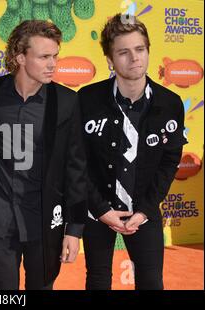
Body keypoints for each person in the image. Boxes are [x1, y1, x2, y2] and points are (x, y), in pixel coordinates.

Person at [0, 20, 88, 290]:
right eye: (44, 56)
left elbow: (76, 169)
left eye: (55, 56)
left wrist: (74, 229)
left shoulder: (66, 101)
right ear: (20, 57)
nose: (52, 64)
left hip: (43, 222)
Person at [78, 14, 187, 290]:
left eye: (140, 49)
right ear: (110, 59)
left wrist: (146, 209)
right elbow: (77, 161)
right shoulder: (87, 99)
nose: (134, 58)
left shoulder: (170, 103)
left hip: (144, 212)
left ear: (149, 51)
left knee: (152, 283)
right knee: (98, 281)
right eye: (123, 52)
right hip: (98, 211)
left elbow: (170, 160)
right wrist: (101, 209)